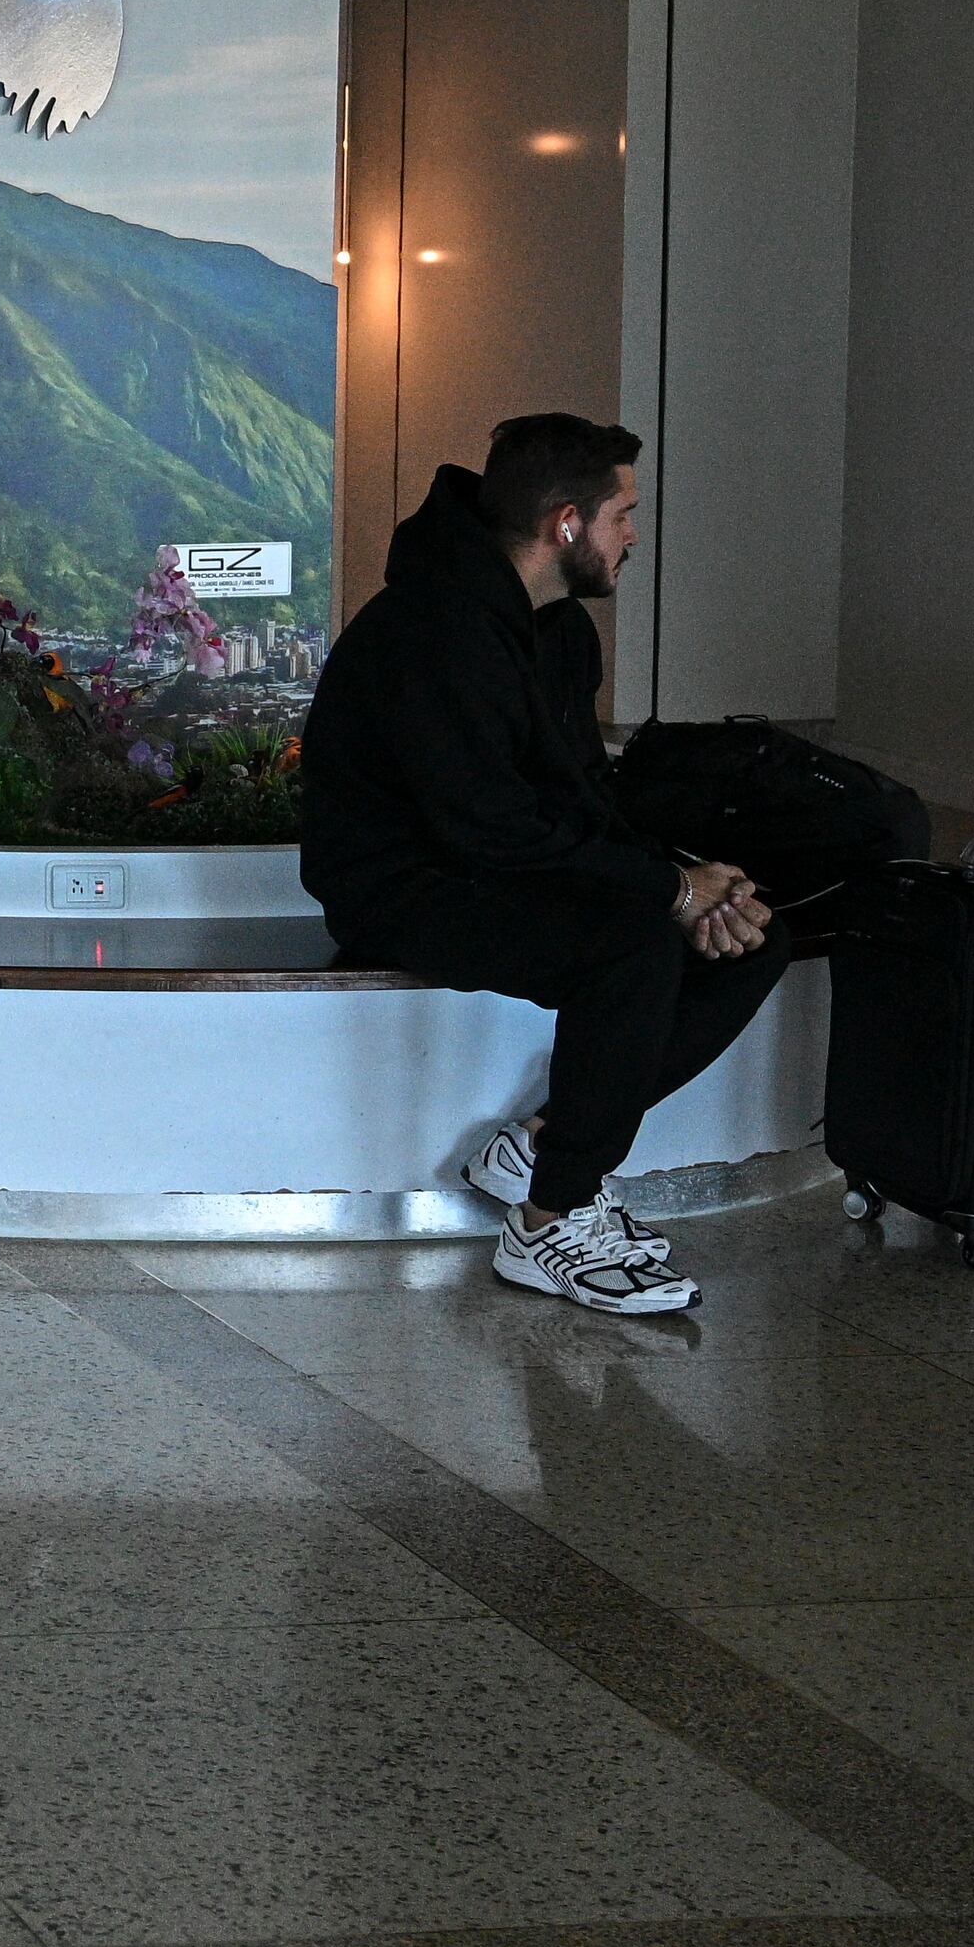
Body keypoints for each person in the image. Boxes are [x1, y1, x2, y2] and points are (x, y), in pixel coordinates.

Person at [301, 413, 782, 1318]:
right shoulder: (434, 629)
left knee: (756, 938)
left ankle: (543, 1143)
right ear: (567, 523)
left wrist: (691, 885)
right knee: (631, 947)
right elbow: (489, 826)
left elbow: (578, 802)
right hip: (403, 886)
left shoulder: (556, 631)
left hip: (494, 863)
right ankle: (549, 1219)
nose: (633, 535)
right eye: (623, 514)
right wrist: (667, 893)